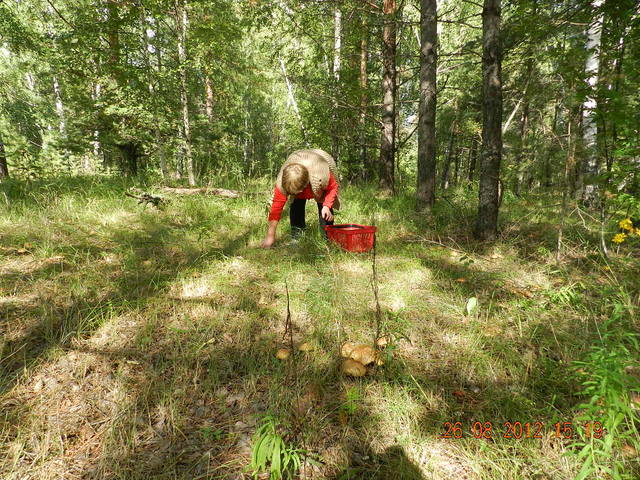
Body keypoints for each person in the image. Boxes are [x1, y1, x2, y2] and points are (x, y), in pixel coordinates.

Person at [261, 148, 340, 248]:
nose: (294, 194)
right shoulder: (282, 182)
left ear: (305, 185)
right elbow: (276, 209)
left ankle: (328, 239)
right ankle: (297, 236)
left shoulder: (322, 174)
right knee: (295, 204)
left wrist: (327, 206)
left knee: (325, 211)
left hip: (319, 170)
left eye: (297, 191)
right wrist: (270, 236)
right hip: (302, 170)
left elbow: (333, 187)